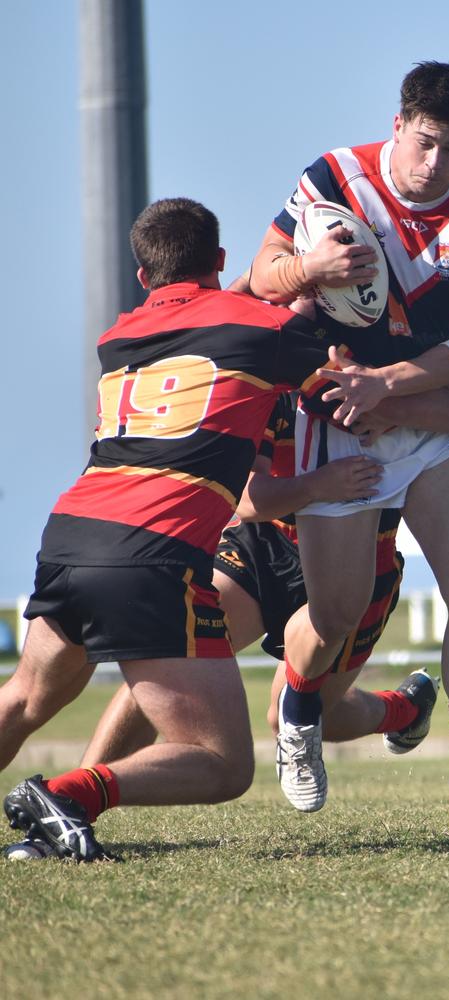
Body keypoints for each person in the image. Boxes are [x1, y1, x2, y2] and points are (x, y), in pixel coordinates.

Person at [5, 375, 449, 859]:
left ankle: (401, 712)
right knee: (168, 668)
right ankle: (66, 810)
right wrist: (321, 483)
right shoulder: (265, 369)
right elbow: (248, 502)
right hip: (263, 545)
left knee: (290, 715)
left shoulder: (385, 359)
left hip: (363, 561)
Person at [0, 196, 344, 862]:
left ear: (141, 274)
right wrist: (308, 272)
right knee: (221, 764)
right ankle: (68, 796)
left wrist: (284, 275)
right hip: (152, 554)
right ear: (219, 260)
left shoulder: (118, 336)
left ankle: (60, 813)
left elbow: (220, 311)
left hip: (72, 533)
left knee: (25, 697)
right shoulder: (259, 332)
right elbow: (348, 378)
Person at [249, 61, 449, 833]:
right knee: (334, 613)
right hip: (332, 416)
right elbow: (259, 280)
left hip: (421, 416)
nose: (438, 163)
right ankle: (299, 713)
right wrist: (311, 266)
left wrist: (391, 384)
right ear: (401, 123)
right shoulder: (332, 177)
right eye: (429, 142)